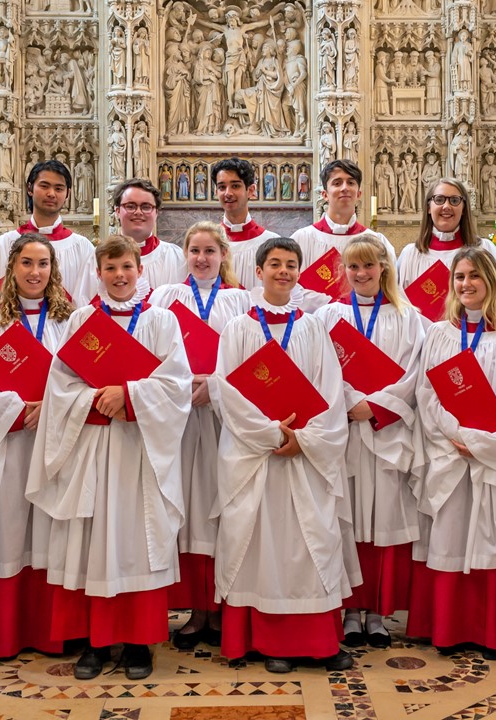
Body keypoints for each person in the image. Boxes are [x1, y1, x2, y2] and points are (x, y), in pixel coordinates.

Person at [27, 235, 192, 681]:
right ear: (97, 273)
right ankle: (93, 643)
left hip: (140, 448)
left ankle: (138, 642)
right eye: (111, 268)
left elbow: (177, 384)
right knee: (90, 541)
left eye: (127, 267)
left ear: (141, 271)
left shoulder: (160, 320)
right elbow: (59, 384)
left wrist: (130, 396)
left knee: (136, 538)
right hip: (94, 447)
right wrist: (96, 400)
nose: (120, 276)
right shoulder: (82, 318)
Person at [208, 237, 354, 674]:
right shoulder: (239, 329)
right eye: (275, 264)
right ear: (259, 271)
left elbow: (330, 392)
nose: (284, 272)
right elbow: (225, 392)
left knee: (312, 541)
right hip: (255, 458)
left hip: (304, 457)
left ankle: (317, 640)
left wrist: (303, 439)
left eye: (291, 265)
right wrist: (271, 434)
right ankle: (266, 640)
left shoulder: (311, 327)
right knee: (258, 545)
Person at [0, 233, 81, 658]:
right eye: (26, 263)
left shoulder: (70, 320)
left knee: (49, 529)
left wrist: (54, 406)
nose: (35, 272)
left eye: (43, 264)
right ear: (11, 269)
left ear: (53, 270)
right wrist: (12, 409)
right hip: (4, 442)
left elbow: (82, 380)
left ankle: (52, 632)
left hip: (53, 443)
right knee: (0, 529)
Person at [408, 244, 496, 658]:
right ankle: (448, 628)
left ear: (491, 281)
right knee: (450, 534)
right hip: (449, 454)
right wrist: (456, 438)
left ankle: (494, 632)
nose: (466, 284)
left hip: (494, 458)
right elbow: (426, 394)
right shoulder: (439, 334)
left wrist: (481, 444)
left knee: (493, 536)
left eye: (474, 276)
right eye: (459, 277)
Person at [314, 236, 425, 649]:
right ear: (344, 271)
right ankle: (350, 611)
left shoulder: (408, 317)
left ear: (384, 268)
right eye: (353, 268)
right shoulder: (326, 317)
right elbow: (318, 370)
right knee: (347, 519)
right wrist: (347, 404)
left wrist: (374, 407)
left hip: (386, 432)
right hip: (342, 433)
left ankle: (377, 612)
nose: (361, 275)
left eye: (369, 266)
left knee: (384, 522)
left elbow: (415, 375)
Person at [148, 222, 252, 651]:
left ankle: (225, 603)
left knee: (224, 504)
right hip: (179, 420)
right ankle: (195, 609)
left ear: (223, 255)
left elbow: (254, 357)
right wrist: (181, 387)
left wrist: (218, 388)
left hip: (227, 421)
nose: (202, 258)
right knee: (188, 506)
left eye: (211, 251)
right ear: (185, 255)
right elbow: (151, 352)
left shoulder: (241, 300)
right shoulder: (165, 299)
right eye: (195, 250)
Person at [0, 159, 96, 308]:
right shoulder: (6, 242)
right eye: (44, 186)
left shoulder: (83, 247)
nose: (51, 194)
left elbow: (88, 306)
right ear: (30, 188)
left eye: (59, 188)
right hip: (16, 327)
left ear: (68, 193)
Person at [291, 159, 397, 275]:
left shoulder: (378, 243)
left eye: (351, 183)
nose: (344, 188)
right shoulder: (302, 239)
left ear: (358, 194)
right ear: (325, 195)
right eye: (337, 183)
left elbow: (391, 289)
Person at [397, 177, 496, 291]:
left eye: (454, 200)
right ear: (428, 207)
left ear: (463, 208)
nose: (447, 206)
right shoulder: (411, 255)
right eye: (439, 200)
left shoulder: (485, 249)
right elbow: (397, 302)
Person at [211, 158, 280, 287]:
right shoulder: (208, 244)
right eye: (222, 187)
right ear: (216, 192)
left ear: (251, 190)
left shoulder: (271, 243)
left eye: (235, 186)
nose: (228, 193)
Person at [112, 178, 187, 289]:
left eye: (146, 207)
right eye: (130, 206)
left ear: (156, 212)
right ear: (117, 211)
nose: (138, 212)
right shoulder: (99, 259)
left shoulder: (178, 258)